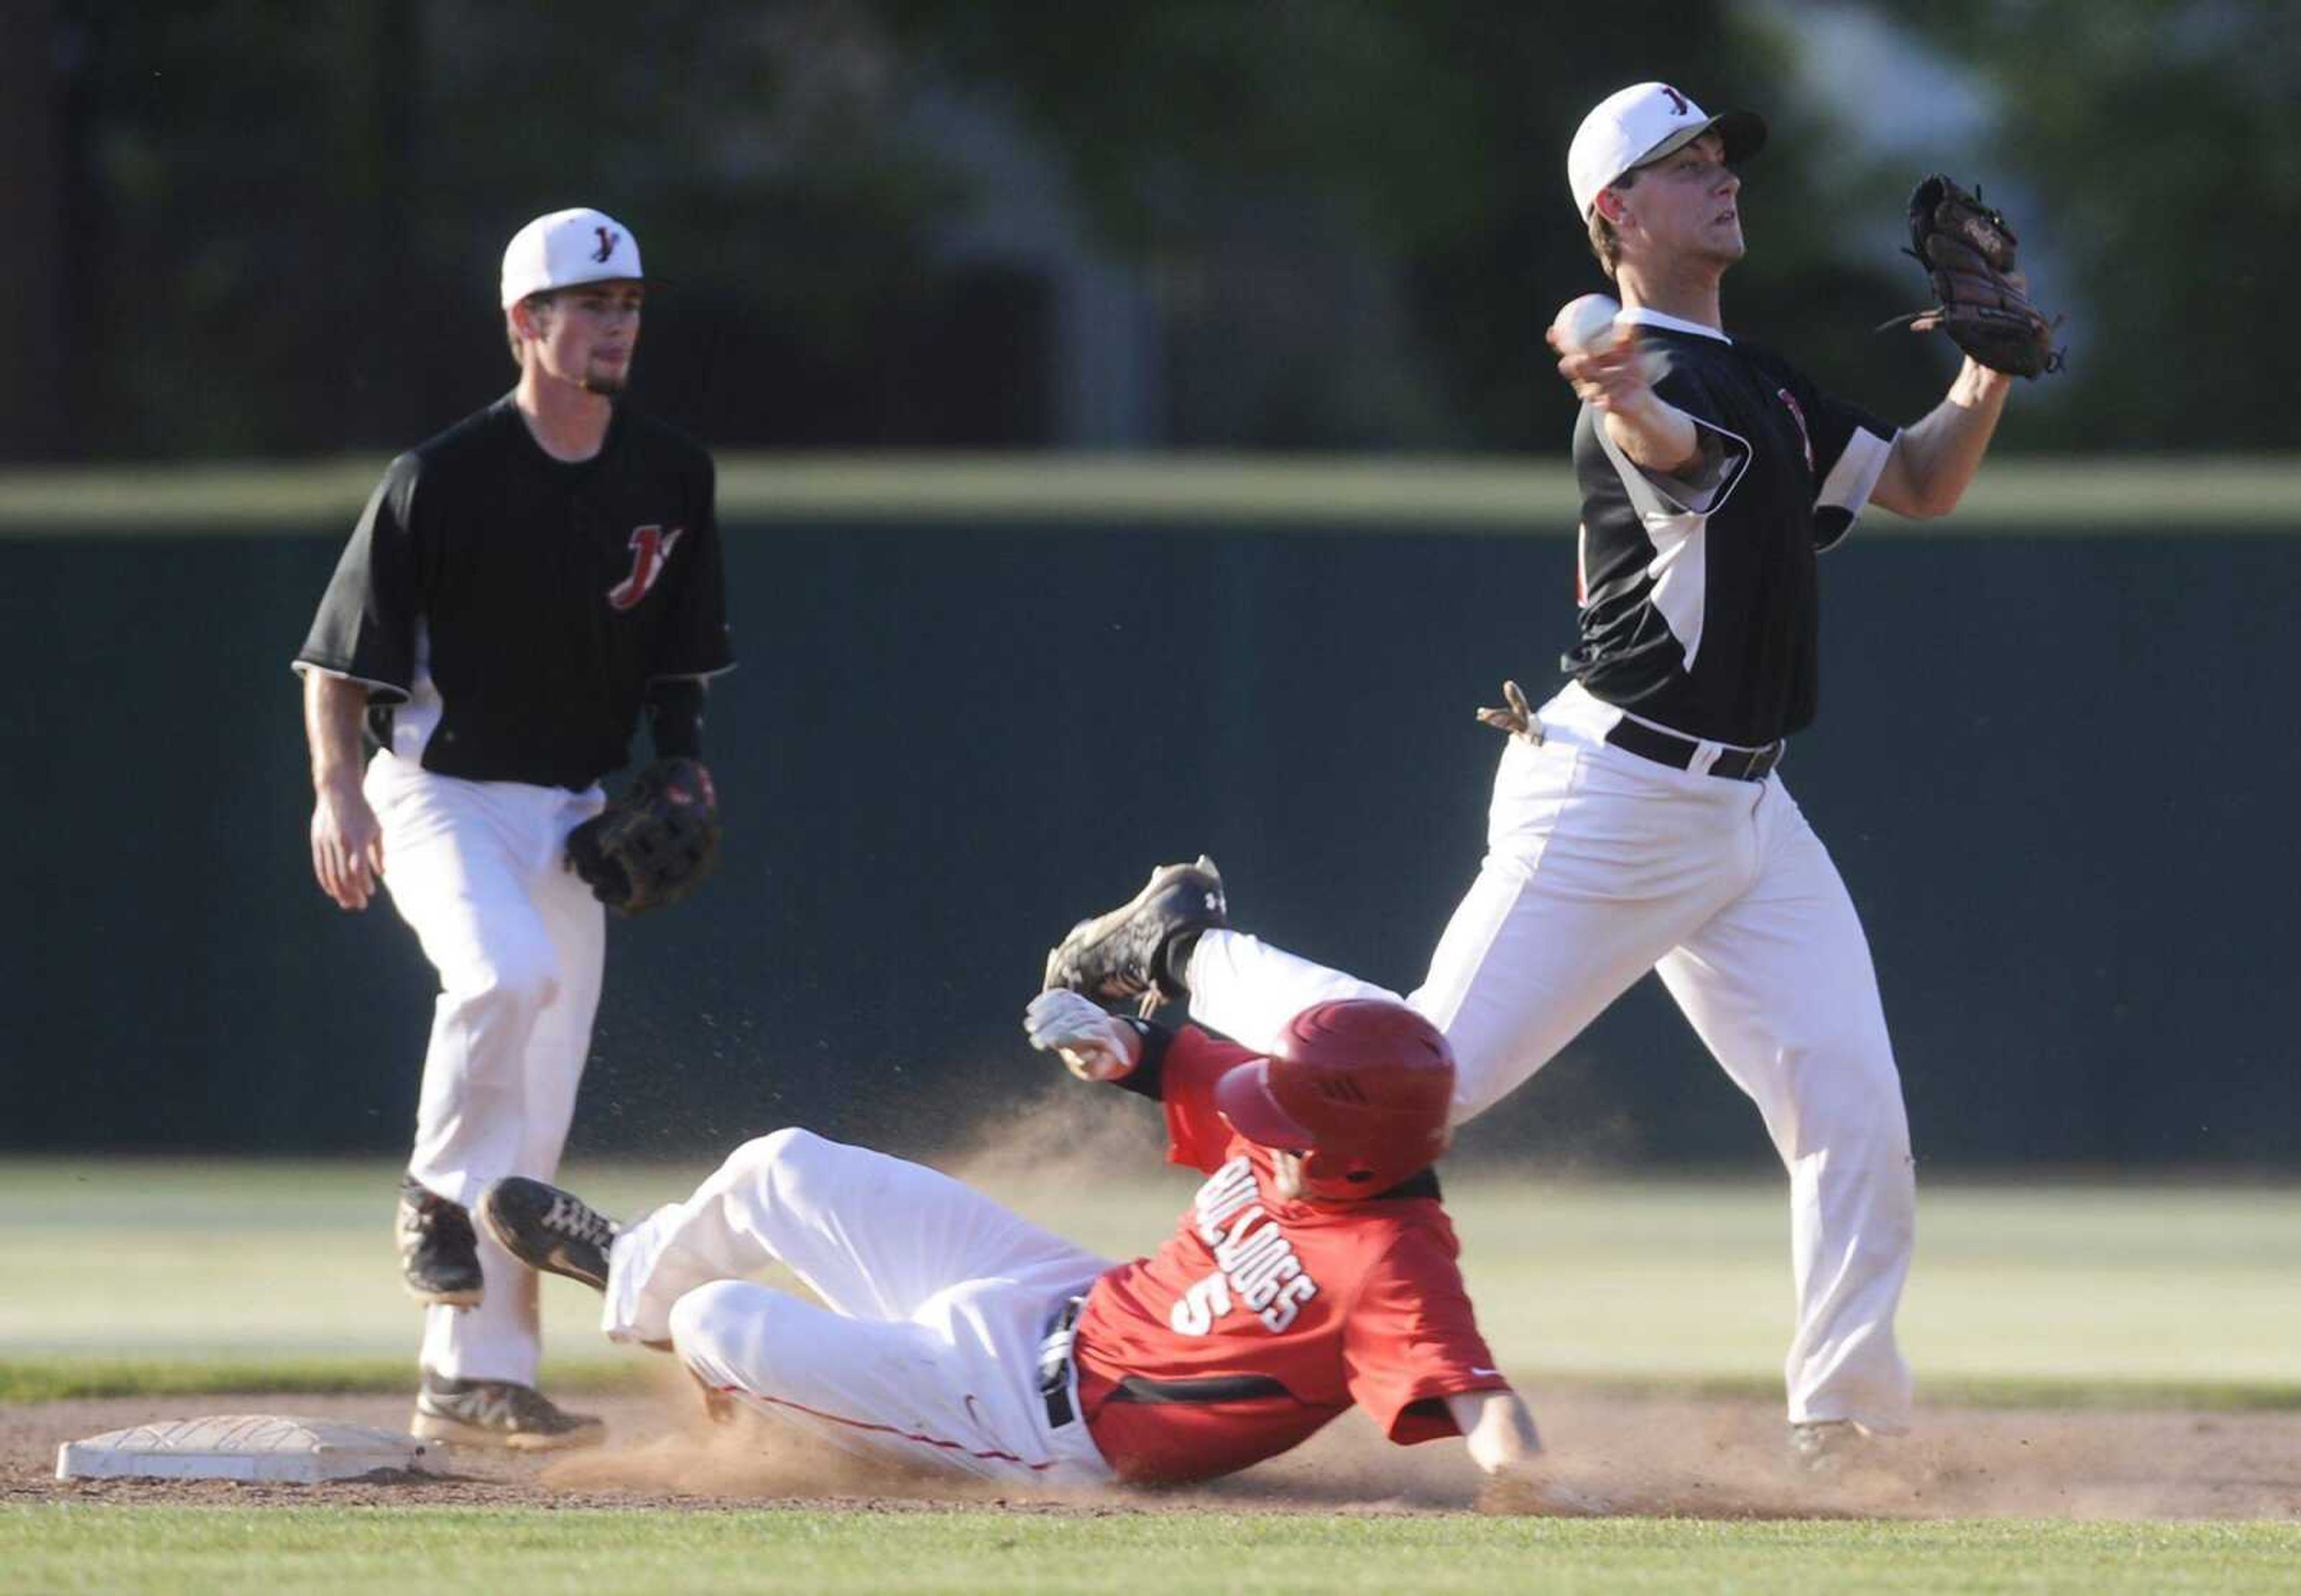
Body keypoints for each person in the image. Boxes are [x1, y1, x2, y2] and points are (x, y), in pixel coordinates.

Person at [1046, 84, 2026, 1473]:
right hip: (1616, 801)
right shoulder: (1654, 385)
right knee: (1422, 1083)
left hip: (1752, 813)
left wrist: (1985, 369)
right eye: (1682, 165)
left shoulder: (1768, 379)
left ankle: (1846, 1427)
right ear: (1615, 213)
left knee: (1856, 1117)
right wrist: (1613, 381)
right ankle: (1186, 949)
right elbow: (1653, 440)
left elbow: (1924, 483)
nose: (1720, 177)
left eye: (1720, 156)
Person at [474, 989, 1589, 1507]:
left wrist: (1535, 1492)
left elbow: (1477, 1398)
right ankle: (633, 1280)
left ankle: (804, 1420)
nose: (1261, 1128)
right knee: (781, 1165)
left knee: (723, 1319)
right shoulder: (1306, 1123)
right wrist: (1114, 1041)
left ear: (1358, 1152)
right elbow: (1178, 1061)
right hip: (1050, 1297)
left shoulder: (1393, 1262)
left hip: (1033, 1426)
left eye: (1288, 1124)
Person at [293, 207, 733, 1449]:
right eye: (591, 305)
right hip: (439, 791)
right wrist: (334, 792)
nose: (615, 325)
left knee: (534, 1125)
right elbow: (334, 666)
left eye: (630, 305)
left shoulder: (671, 474)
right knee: (502, 975)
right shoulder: (439, 478)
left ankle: (469, 1375)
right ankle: (430, 1195)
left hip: (577, 810)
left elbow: (677, 671)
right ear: (524, 325)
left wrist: (685, 775)